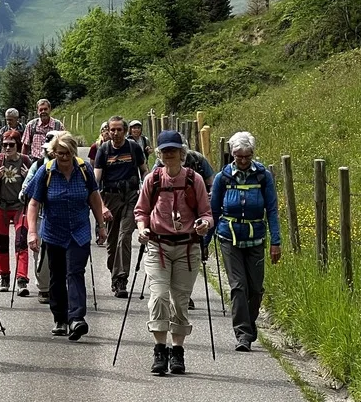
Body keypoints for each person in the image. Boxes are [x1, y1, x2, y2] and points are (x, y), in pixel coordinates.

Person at [135, 130, 213, 375]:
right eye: (165, 151)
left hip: (187, 248)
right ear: (159, 154)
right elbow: (141, 211)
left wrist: (203, 226)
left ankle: (177, 351)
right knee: (158, 298)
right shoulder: (153, 179)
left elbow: (207, 213)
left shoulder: (194, 179)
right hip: (158, 246)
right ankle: (160, 350)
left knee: (180, 302)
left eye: (173, 150)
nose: (170, 155)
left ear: (182, 152)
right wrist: (142, 229)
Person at [26, 131, 112, 341]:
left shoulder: (84, 169)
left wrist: (101, 226)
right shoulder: (45, 172)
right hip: (54, 231)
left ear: (73, 152)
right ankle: (60, 318)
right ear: (53, 153)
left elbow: (93, 196)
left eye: (67, 153)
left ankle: (76, 318)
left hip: (79, 231)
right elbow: (34, 203)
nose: (63, 158)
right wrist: (32, 231)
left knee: (75, 272)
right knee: (57, 275)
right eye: (59, 153)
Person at [211, 131, 282, 352]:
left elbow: (271, 209)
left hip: (256, 237)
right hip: (228, 237)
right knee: (238, 287)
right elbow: (213, 211)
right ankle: (243, 334)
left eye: (247, 156)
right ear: (232, 154)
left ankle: (249, 326)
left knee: (256, 289)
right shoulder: (222, 177)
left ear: (252, 154)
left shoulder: (262, 176)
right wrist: (204, 242)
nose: (242, 161)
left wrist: (276, 241)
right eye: (238, 156)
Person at [94, 115, 148, 298]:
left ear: (125, 131)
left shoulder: (134, 148)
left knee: (124, 237)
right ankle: (114, 273)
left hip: (131, 197)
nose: (115, 133)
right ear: (108, 131)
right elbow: (95, 183)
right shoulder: (103, 150)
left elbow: (144, 172)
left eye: (119, 129)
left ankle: (121, 279)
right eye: (112, 130)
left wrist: (148, 194)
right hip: (110, 198)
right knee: (112, 243)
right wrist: (102, 207)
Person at [0, 130, 32, 294]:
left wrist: (28, 178)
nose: (7, 147)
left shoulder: (26, 161)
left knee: (21, 242)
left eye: (11, 145)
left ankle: (21, 280)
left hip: (20, 208)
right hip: (0, 207)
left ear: (17, 145)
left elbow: (33, 187)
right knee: (1, 244)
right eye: (4, 145)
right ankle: (4, 277)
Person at [21, 129, 59, 304]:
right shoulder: (38, 166)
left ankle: (58, 284)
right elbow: (26, 187)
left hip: (62, 216)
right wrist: (26, 194)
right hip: (41, 215)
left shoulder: (72, 166)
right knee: (41, 252)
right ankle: (44, 288)